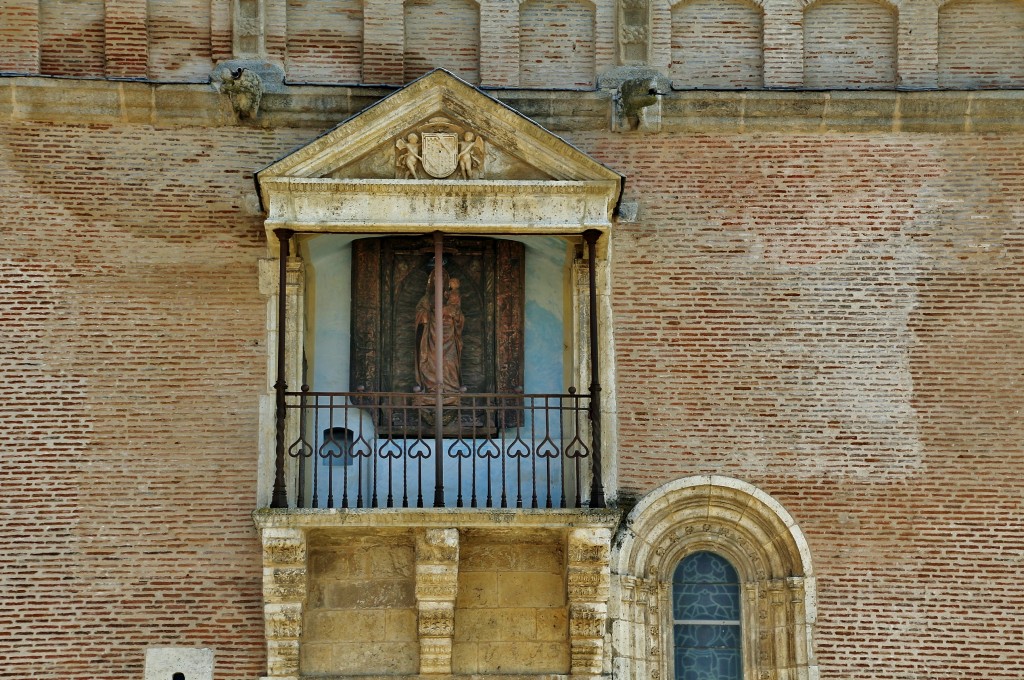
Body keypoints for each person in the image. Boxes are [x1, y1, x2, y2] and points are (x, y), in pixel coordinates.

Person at [414, 268, 464, 403]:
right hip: (431, 336)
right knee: (430, 362)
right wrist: (427, 316)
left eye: (442, 278)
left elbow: (459, 315)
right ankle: (431, 390)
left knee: (449, 361)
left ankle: (451, 390)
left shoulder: (452, 295)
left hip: (449, 336)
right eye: (436, 278)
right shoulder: (426, 299)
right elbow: (420, 313)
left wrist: (451, 313)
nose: (439, 281)